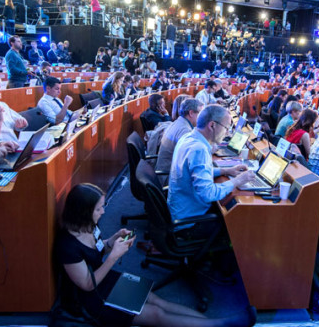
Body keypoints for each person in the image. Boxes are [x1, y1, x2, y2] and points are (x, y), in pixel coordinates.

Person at [56, 183, 255, 327]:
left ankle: (213, 322)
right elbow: (87, 285)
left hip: (106, 280)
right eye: (98, 208)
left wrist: (113, 240)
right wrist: (114, 256)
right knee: (156, 314)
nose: (103, 212)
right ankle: (220, 324)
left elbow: (99, 247)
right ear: (82, 212)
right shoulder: (67, 246)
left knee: (157, 300)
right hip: (90, 301)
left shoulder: (89, 226)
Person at [167, 105, 255, 230]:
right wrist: (238, 181)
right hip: (189, 222)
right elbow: (208, 194)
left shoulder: (189, 137)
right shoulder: (199, 149)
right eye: (226, 128)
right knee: (240, 221)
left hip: (180, 209)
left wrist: (225, 170)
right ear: (212, 125)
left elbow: (193, 171)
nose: (227, 133)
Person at [157, 98, 203, 174]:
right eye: (200, 113)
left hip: (169, 170)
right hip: (169, 176)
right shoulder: (185, 131)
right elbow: (194, 162)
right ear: (191, 113)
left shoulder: (179, 122)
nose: (202, 117)